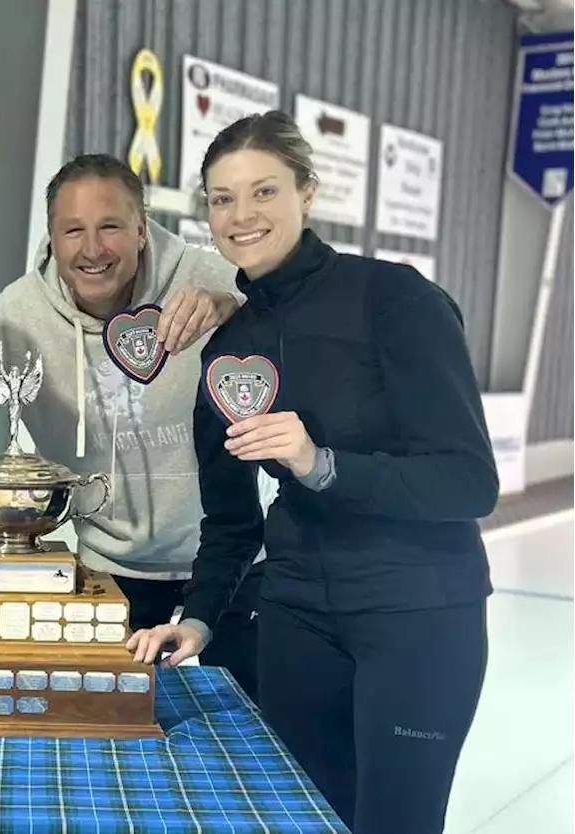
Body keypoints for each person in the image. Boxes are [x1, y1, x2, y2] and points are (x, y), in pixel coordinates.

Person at [126, 111, 495, 834]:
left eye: (264, 192)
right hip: (296, 617)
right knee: (302, 818)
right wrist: (198, 616)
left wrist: (319, 465)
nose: (241, 215)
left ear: (308, 193)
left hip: (417, 615)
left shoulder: (396, 299)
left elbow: (468, 482)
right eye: (222, 198)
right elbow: (231, 518)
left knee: (393, 822)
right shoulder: (231, 344)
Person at [0, 154, 263, 699]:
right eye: (74, 231)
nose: (93, 250)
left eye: (110, 227)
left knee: (234, 739)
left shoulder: (208, 276)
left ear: (142, 229)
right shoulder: (16, 315)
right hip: (110, 572)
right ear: (51, 238)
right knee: (115, 735)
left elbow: (294, 308)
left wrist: (232, 302)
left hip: (229, 565)